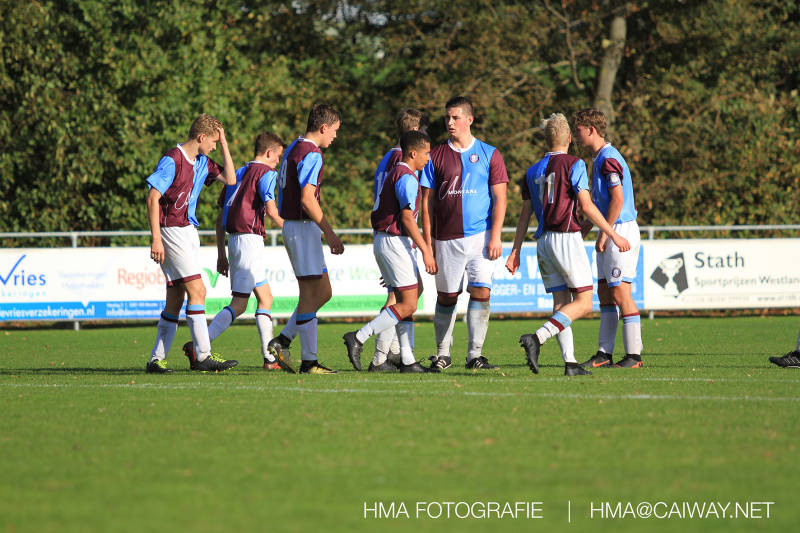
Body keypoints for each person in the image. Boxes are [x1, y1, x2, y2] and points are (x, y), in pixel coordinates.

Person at [506, 113, 631, 376]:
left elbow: (525, 214)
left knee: (561, 303)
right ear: (570, 139)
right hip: (565, 237)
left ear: (546, 140)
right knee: (584, 303)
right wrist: (613, 234)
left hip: (543, 242)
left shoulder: (532, 171)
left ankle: (570, 363)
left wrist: (515, 250)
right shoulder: (574, 164)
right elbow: (586, 206)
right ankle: (537, 337)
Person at [184, 132, 288, 370]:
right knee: (246, 302)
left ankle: (268, 358)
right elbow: (272, 210)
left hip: (235, 241)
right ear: (269, 153)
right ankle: (201, 346)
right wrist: (293, 229)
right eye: (278, 156)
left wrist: (221, 253)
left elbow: (221, 216)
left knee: (258, 299)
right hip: (250, 241)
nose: (277, 162)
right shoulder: (266, 173)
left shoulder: (237, 173)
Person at [145, 113, 239, 373]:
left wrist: (225, 142)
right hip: (171, 230)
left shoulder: (202, 162)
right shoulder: (173, 159)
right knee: (198, 291)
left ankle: (156, 360)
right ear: (201, 137)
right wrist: (156, 238)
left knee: (175, 299)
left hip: (187, 231)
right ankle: (202, 355)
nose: (215, 147)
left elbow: (231, 179)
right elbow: (153, 198)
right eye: (214, 142)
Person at [421, 96, 508, 371]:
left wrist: (496, 235)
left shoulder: (490, 154)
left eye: (455, 117)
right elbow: (426, 203)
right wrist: (428, 243)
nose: (450, 122)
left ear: (470, 120)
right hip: (446, 239)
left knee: (481, 292)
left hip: (481, 237)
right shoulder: (435, 155)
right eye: (447, 117)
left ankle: (474, 355)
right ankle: (443, 354)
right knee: (447, 296)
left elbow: (500, 198)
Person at [343, 130, 438, 373]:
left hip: (388, 241)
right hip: (394, 241)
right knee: (409, 304)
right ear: (413, 153)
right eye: (426, 153)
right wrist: (426, 250)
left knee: (410, 296)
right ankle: (359, 337)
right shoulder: (407, 177)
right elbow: (406, 218)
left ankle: (405, 360)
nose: (428, 158)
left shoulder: (397, 172)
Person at [266, 104, 344, 374]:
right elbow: (308, 199)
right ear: (323, 127)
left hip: (297, 227)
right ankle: (309, 362)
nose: (335, 136)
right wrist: (329, 232)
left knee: (323, 292)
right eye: (334, 130)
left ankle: (283, 340)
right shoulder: (312, 153)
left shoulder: (293, 148)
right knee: (310, 294)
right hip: (302, 228)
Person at [573, 108, 643, 369]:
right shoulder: (599, 158)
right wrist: (587, 226)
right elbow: (602, 203)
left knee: (620, 292)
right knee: (605, 293)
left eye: (578, 131)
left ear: (591, 130)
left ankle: (634, 356)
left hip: (620, 229)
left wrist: (605, 232)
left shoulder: (608, 158)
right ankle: (604, 353)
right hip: (612, 228)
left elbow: (618, 200)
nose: (576, 136)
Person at [365, 108, 429, 372]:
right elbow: (404, 208)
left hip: (388, 233)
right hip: (394, 234)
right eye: (424, 131)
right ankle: (381, 355)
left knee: (408, 293)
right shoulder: (401, 162)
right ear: (415, 132)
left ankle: (399, 353)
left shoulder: (386, 158)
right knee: (400, 298)